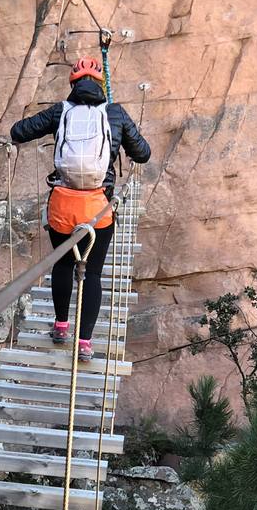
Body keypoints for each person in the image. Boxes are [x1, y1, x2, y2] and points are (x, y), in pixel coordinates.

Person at [9, 57, 151, 362]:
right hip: (98, 209)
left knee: (62, 266)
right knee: (94, 274)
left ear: (73, 84)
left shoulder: (61, 111)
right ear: (101, 85)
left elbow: (19, 131)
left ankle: (61, 327)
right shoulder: (114, 113)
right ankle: (84, 343)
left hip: (62, 205)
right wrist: (120, 137)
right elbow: (143, 154)